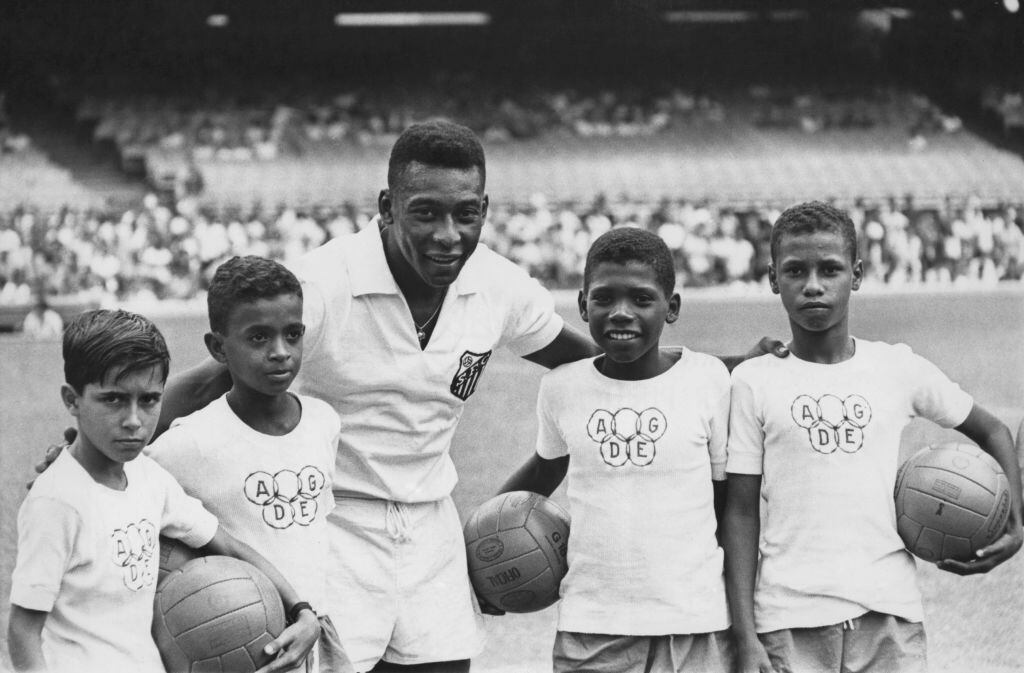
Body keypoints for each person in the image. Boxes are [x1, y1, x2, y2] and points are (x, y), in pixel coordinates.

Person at [91, 121, 783, 673]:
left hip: (429, 524)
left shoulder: (500, 286)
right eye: (424, 213)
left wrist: (725, 365)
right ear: (387, 207)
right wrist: (98, 449)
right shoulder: (324, 282)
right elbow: (217, 374)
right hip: (332, 523)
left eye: (464, 213)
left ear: (484, 208)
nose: (447, 235)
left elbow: (599, 359)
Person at [722, 201, 1023, 673]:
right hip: (787, 621)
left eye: (831, 269)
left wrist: (1015, 524)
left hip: (889, 616)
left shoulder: (896, 367)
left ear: (857, 274)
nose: (814, 285)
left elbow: (992, 429)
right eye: (796, 271)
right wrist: (745, 636)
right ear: (773, 278)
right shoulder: (753, 381)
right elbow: (739, 512)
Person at [8, 309, 320, 673]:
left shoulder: (148, 478)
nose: (133, 420)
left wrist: (301, 611)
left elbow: (227, 544)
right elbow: (23, 630)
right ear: (72, 400)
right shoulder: (57, 501)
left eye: (149, 400)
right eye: (113, 400)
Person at [500, 227, 733, 672]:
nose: (621, 313)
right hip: (592, 624)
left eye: (642, 299)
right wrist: (477, 553)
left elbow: (729, 504)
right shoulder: (561, 387)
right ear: (583, 303)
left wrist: (740, 619)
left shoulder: (709, 380)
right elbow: (542, 475)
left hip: (693, 621)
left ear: (672, 307)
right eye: (605, 298)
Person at [144, 256, 354, 673]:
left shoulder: (323, 422)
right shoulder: (190, 441)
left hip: (317, 630)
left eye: (292, 335)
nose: (280, 353)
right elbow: (127, 494)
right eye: (258, 338)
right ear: (218, 347)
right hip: (244, 643)